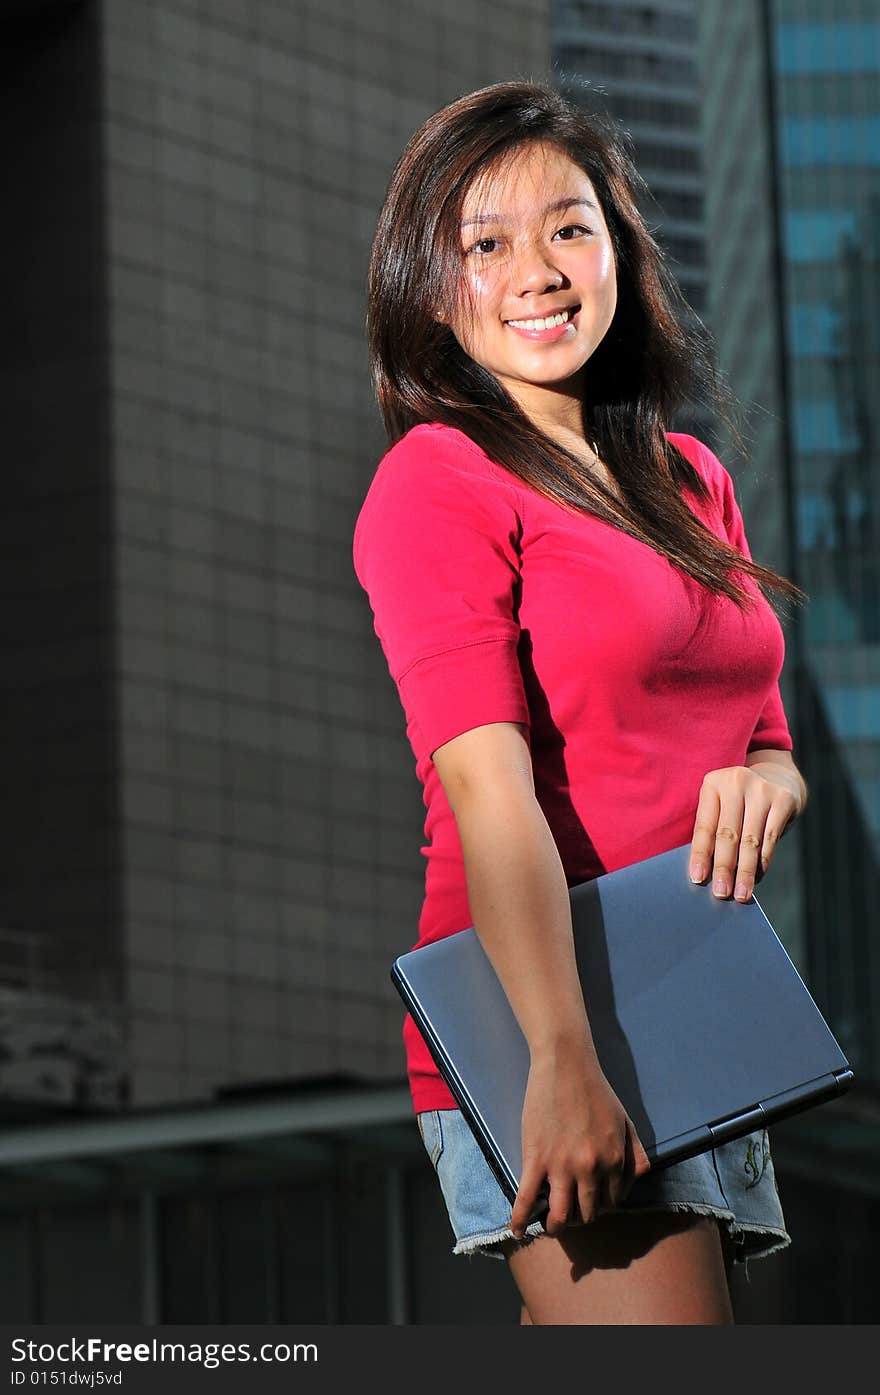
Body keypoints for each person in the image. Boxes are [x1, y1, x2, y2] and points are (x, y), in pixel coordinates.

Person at [352, 79, 809, 1325]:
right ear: (428, 289)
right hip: (541, 1012)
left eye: (567, 227)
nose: (536, 272)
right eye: (483, 245)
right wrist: (558, 1055)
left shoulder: (686, 477)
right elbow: (485, 794)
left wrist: (767, 785)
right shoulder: (437, 480)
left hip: (685, 994)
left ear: (617, 246)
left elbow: (761, 735)